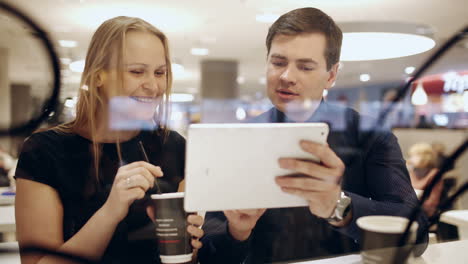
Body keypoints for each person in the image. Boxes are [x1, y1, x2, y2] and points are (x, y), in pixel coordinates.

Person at [199, 7, 428, 264]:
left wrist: (340, 207)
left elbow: (418, 235)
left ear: (331, 76)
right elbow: (209, 255)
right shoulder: (238, 139)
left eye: (306, 67)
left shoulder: (370, 136)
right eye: (278, 63)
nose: (286, 77)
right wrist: (237, 232)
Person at [15, 16, 204, 264]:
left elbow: (183, 259)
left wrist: (192, 244)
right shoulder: (44, 151)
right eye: (137, 72)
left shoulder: (173, 146)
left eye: (160, 73)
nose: (153, 85)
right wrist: (110, 212)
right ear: (98, 77)